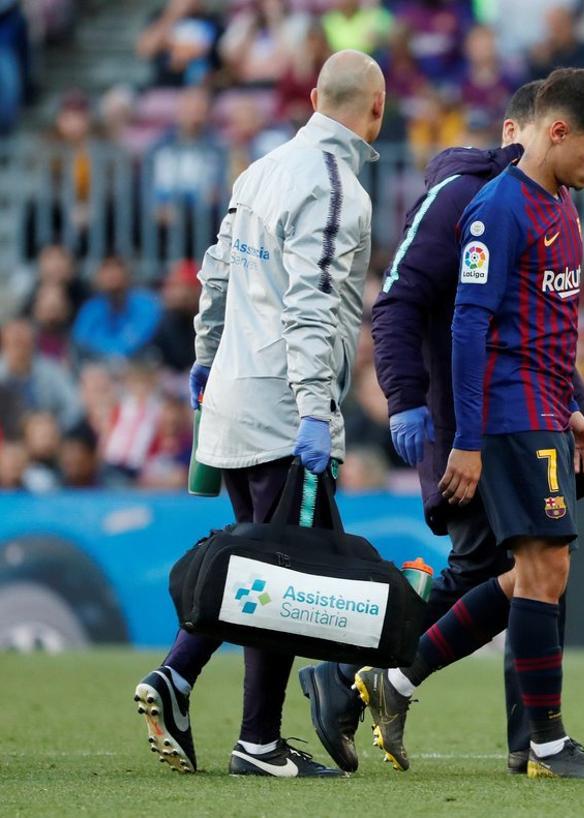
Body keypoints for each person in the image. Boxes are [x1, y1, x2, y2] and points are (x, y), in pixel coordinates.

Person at [301, 81, 584, 778]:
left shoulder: (554, 205)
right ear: (532, 130)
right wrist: (410, 403)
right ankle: (369, 678)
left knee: (523, 570)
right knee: (510, 569)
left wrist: (575, 405)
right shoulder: (470, 203)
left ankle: (521, 736)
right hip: (474, 417)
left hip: (521, 407)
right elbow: (400, 306)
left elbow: (541, 325)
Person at [132, 50, 386, 779]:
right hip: (283, 407)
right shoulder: (338, 189)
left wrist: (206, 354)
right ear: (377, 108)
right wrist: (314, 410)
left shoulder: (260, 169)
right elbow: (311, 307)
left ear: (312, 96)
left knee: (256, 563)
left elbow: (217, 269)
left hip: (234, 397)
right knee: (275, 581)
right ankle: (254, 738)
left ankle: (185, 683)